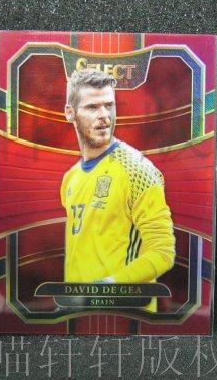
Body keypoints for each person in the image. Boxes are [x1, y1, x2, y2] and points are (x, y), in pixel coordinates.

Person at [60, 68, 175, 310]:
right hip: (79, 310)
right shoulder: (70, 179)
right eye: (93, 107)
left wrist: (110, 286)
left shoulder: (137, 171)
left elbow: (163, 252)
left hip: (124, 312)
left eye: (109, 105)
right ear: (70, 113)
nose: (104, 115)